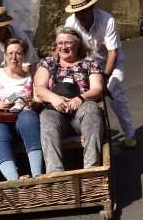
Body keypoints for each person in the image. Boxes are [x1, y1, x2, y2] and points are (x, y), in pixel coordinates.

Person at [64, 0, 136, 149]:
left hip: (110, 65)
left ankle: (130, 134)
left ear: (91, 8)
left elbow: (113, 52)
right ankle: (91, 134)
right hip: (85, 65)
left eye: (83, 12)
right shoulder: (71, 23)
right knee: (83, 97)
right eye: (77, 13)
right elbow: (68, 48)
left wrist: (105, 77)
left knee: (113, 94)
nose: (80, 16)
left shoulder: (107, 20)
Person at [34, 26, 104, 174]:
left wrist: (81, 98)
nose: (63, 47)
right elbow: (39, 88)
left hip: (81, 114)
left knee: (91, 108)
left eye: (67, 43)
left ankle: (91, 169)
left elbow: (97, 89)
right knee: (46, 116)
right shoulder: (48, 63)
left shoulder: (89, 63)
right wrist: (54, 98)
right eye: (60, 43)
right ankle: (55, 172)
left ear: (77, 44)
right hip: (57, 114)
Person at [0, 38, 44, 181]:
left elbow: (38, 98)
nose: (14, 57)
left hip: (22, 118)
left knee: (29, 118)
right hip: (1, 117)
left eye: (18, 53)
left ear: (24, 56)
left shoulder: (31, 75)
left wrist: (33, 103)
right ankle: (14, 181)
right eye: (10, 53)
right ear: (5, 55)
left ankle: (37, 176)